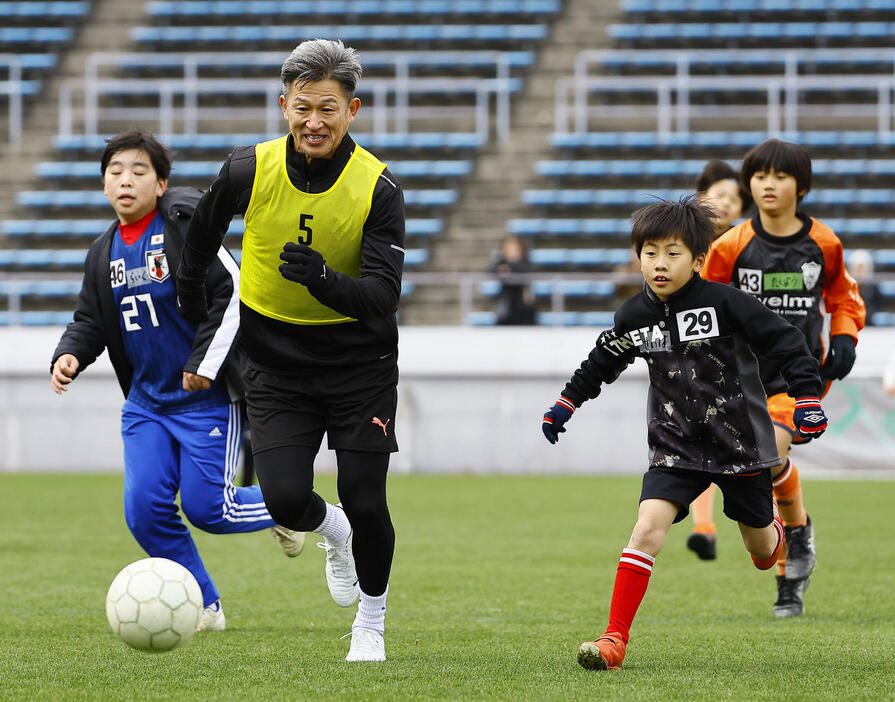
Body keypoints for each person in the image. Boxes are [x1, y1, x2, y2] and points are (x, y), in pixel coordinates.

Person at [174, 39, 404, 662]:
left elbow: (382, 296)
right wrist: (192, 299)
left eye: (329, 108)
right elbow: (199, 235)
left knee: (365, 495)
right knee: (280, 497)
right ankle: (333, 534)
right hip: (276, 363)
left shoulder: (379, 187)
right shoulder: (249, 168)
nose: (315, 122)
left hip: (361, 366)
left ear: (353, 110)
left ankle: (371, 622)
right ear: (284, 106)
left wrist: (323, 279)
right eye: (303, 107)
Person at [541, 197, 826, 672]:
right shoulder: (634, 315)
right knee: (646, 528)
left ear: (697, 260)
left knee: (760, 553)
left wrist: (807, 398)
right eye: (649, 252)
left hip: (741, 445)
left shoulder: (727, 302)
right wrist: (566, 402)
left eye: (672, 253)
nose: (659, 263)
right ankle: (614, 640)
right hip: (675, 445)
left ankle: (779, 532)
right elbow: (603, 360)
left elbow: (787, 341)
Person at [50, 130, 305, 633]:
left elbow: (232, 290)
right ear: (103, 184)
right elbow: (91, 320)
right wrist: (70, 354)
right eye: (116, 171)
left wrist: (202, 363)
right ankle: (205, 608)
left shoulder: (184, 227)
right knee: (145, 512)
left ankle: (295, 506)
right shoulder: (102, 253)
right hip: (146, 404)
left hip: (205, 398)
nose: (126, 180)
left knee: (209, 509)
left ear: (161, 183)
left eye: (140, 171)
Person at [703, 138, 866, 618]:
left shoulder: (825, 243)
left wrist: (845, 337)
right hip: (743, 377)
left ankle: (792, 548)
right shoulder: (730, 245)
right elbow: (701, 302)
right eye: (758, 176)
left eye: (779, 176)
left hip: (797, 380)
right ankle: (795, 558)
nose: (768, 184)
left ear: (802, 185)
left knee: (770, 451)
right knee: (764, 468)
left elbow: (844, 298)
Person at [685, 159, 753, 560]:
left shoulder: (749, 246)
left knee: (757, 453)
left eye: (734, 198)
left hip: (743, 363)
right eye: (720, 195)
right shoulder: (682, 244)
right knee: (700, 442)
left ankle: (776, 532)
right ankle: (705, 529)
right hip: (698, 361)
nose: (727, 203)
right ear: (700, 198)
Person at [491, 233, 536, 325]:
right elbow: (492, 270)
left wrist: (509, 268)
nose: (511, 250)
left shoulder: (525, 262)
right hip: (506, 309)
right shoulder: (500, 263)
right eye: (508, 247)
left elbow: (526, 271)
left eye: (514, 247)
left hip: (524, 308)